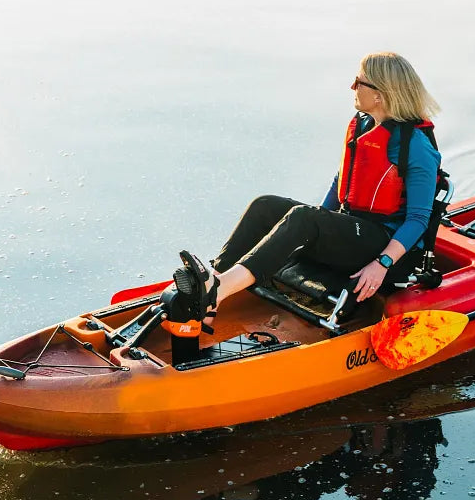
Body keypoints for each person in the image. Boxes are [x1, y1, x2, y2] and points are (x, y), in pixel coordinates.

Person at [173, 52, 441, 323]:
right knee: (265, 205)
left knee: (303, 218)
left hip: (383, 242)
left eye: (359, 82)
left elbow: (418, 219)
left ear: (380, 95)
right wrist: (316, 225)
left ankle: (217, 291)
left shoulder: (416, 146)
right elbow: (341, 182)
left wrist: (382, 263)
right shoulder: (364, 125)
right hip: (352, 229)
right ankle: (215, 285)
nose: (352, 87)